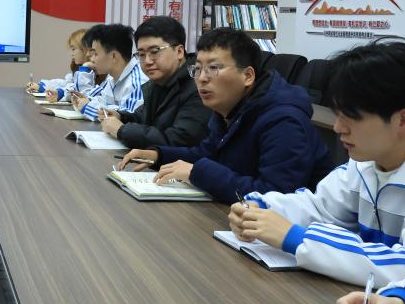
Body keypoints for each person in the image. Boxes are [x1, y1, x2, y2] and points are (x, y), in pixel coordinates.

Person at [229, 41, 405, 286]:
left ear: (403, 121)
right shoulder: (365, 164)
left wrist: (297, 238)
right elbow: (321, 208)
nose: (337, 127)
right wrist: (261, 208)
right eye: (337, 115)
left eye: (350, 117)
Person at [118, 27, 334, 204]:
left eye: (213, 68)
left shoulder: (283, 120)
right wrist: (158, 155)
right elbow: (206, 153)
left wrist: (197, 173)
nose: (202, 78)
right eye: (198, 69)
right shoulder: (230, 106)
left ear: (248, 76)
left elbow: (276, 195)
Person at [100, 16, 210, 148]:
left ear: (179, 52)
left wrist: (122, 130)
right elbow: (143, 117)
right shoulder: (159, 81)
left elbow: (179, 140)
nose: (147, 61)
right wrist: (121, 117)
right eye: (141, 54)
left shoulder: (199, 85)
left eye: (154, 52)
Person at [70, 24, 147, 119]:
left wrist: (87, 107)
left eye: (95, 54)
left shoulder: (137, 81)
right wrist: (86, 101)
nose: (92, 59)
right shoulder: (111, 77)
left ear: (113, 56)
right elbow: (102, 99)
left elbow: (130, 117)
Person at [26, 27, 96, 102]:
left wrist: (84, 69)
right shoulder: (78, 71)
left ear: (85, 49)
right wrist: (43, 86)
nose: (71, 54)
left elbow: (83, 93)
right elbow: (65, 83)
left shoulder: (95, 73)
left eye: (73, 49)